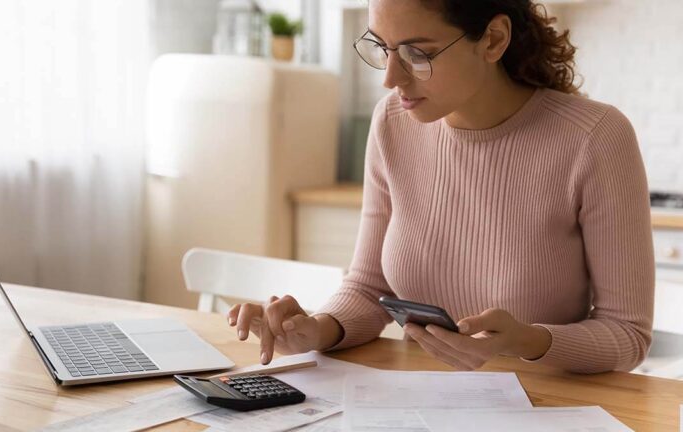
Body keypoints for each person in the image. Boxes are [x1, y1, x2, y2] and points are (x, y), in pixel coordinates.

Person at [228, 0, 654, 373]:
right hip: (414, 403)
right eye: (383, 48)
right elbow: (369, 288)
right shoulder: (392, 123)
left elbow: (627, 335)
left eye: (417, 53)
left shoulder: (594, 137)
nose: (391, 78)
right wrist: (314, 330)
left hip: (544, 410)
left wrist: (524, 341)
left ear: (493, 39)